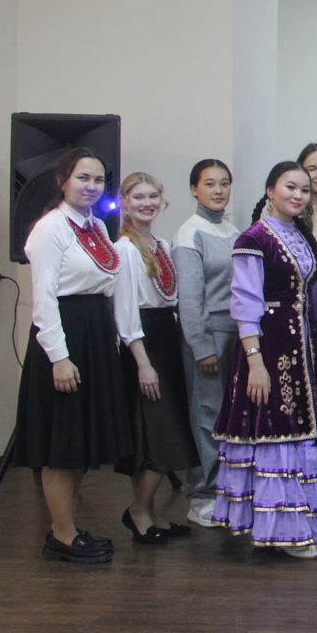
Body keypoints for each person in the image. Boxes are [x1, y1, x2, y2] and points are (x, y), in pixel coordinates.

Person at [214, 161, 317, 558]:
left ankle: (303, 525)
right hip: (268, 346)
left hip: (301, 346)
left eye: (304, 189)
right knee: (277, 429)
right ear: (270, 190)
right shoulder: (254, 238)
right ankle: (284, 530)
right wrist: (255, 362)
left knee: (301, 428)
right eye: (290, 187)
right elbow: (245, 302)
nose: (298, 195)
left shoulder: (298, 233)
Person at [16, 148, 135, 563]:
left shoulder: (96, 226)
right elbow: (44, 299)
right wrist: (59, 357)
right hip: (65, 337)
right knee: (62, 441)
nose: (91, 186)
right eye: (83, 178)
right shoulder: (50, 228)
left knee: (81, 440)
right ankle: (62, 535)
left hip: (94, 335)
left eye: (99, 180)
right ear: (63, 180)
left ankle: (66, 526)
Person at [114, 172, 201, 543]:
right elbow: (125, 311)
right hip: (144, 343)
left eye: (152, 196)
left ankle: (148, 513)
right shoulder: (125, 249)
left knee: (161, 434)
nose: (146, 203)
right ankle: (137, 510)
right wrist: (143, 363)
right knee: (159, 434)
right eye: (138, 197)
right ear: (124, 203)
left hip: (166, 337)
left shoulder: (161, 244)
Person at [173, 158, 239, 529]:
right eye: (209, 183)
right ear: (194, 189)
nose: (218, 190)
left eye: (224, 183)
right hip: (209, 336)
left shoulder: (232, 230)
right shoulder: (190, 233)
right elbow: (189, 299)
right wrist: (201, 346)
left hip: (235, 335)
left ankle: (226, 491)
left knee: (227, 417)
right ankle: (202, 496)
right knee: (207, 416)